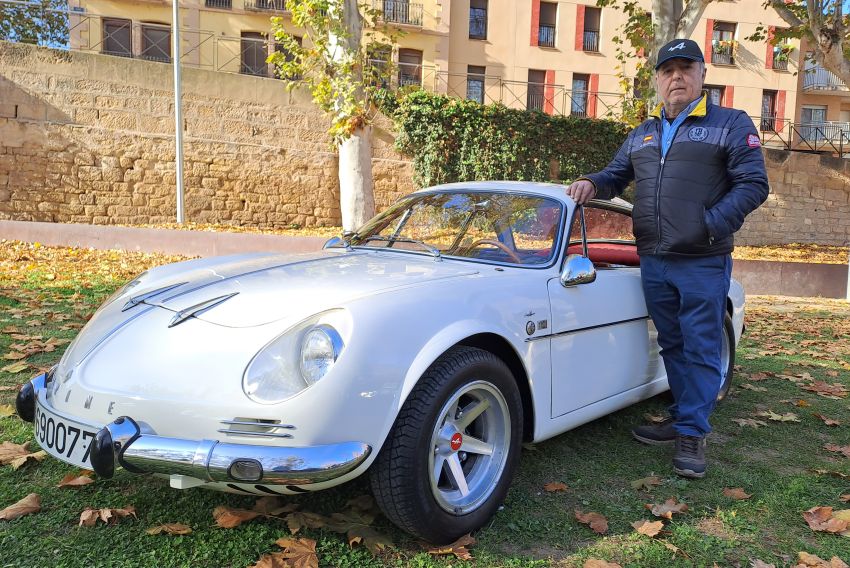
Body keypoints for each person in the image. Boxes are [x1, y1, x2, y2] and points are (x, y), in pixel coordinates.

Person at [566, 38, 769, 478]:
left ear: (702, 75)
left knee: (700, 345)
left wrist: (709, 223)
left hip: (702, 259)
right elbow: (615, 176)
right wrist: (589, 183)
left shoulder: (730, 123)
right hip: (653, 259)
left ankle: (693, 434)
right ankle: (683, 418)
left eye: (685, 68)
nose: (676, 77)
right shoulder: (643, 132)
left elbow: (753, 185)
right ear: (657, 79)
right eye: (667, 70)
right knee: (673, 343)